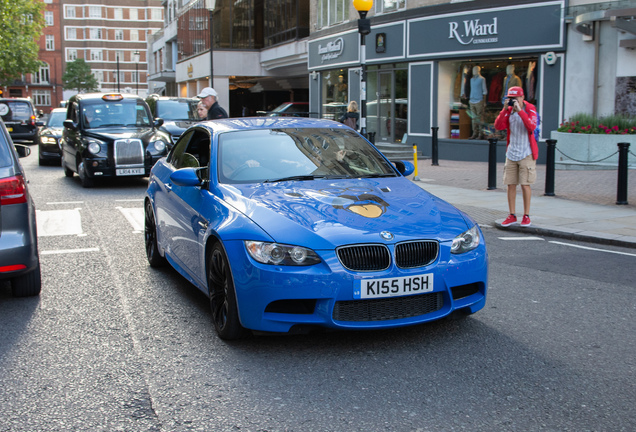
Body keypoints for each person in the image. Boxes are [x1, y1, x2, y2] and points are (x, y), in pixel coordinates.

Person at [494, 86, 538, 228]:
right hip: (512, 152)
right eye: (511, 98)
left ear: (522, 97)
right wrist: (504, 110)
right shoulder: (508, 111)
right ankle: (512, 215)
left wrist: (520, 111)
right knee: (510, 184)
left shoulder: (530, 109)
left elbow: (531, 127)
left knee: (525, 185)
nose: (514, 101)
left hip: (526, 152)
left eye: (516, 98)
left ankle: (526, 215)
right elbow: (498, 126)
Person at [469, 66, 487, 140]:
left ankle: (480, 133)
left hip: (479, 100)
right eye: (473, 70)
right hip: (472, 100)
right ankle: (474, 133)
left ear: (479, 71)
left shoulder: (482, 79)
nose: (474, 71)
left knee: (479, 118)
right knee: (473, 118)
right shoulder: (471, 79)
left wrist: (484, 102)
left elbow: (484, 90)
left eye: (476, 70)